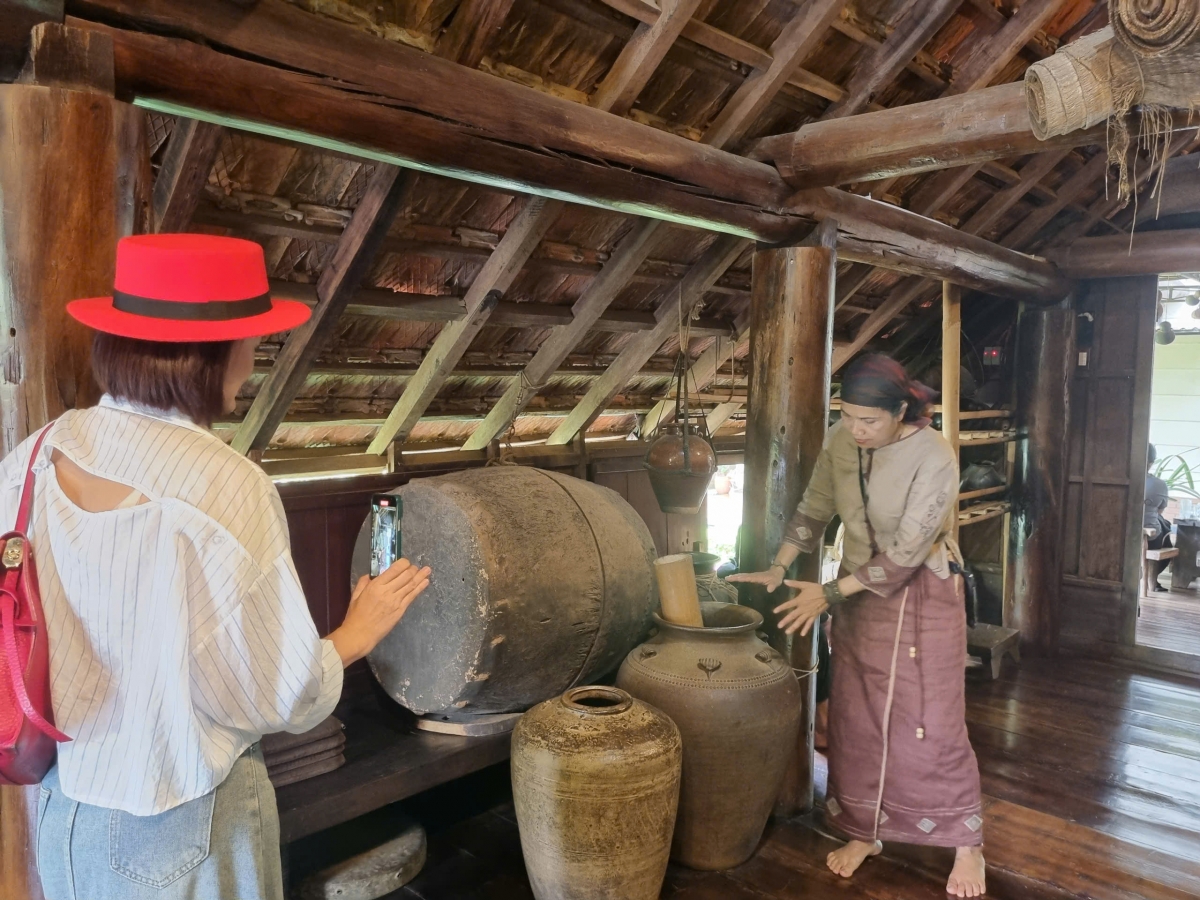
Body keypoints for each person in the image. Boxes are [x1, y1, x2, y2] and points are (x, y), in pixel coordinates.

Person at [5, 234, 431, 900]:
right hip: (178, 825)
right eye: (251, 342)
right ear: (215, 353)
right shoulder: (227, 486)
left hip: (61, 813)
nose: (253, 360)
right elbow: (277, 693)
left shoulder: (32, 457)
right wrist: (356, 633)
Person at [729, 354, 985, 899]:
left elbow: (911, 547)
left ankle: (966, 842)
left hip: (923, 593)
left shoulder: (934, 455)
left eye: (868, 421)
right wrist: (781, 564)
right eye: (847, 416)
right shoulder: (840, 440)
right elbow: (815, 505)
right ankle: (866, 832)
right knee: (857, 713)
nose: (856, 429)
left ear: (900, 412)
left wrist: (826, 593)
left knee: (930, 717)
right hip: (855, 592)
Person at [1145, 444, 1173, 591]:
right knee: (1164, 527)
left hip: (1119, 529)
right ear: (1151, 462)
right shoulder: (1159, 484)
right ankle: (1152, 581)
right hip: (1149, 534)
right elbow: (1160, 511)